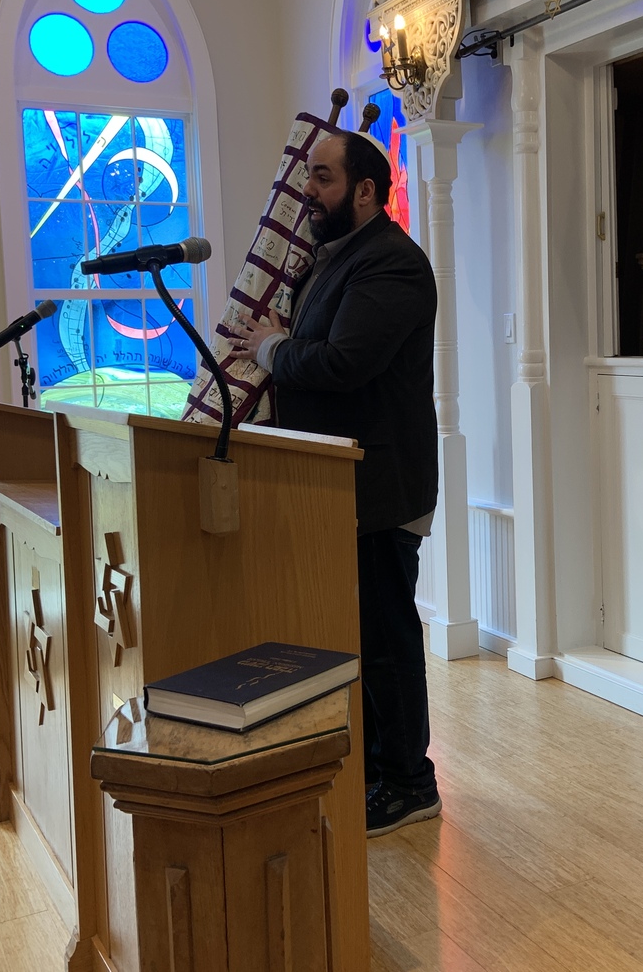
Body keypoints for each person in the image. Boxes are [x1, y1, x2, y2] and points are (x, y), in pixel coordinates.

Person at [228, 131, 441, 838]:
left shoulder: (391, 265)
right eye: (308, 178)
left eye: (321, 178)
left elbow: (344, 363)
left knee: (385, 637)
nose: (308, 192)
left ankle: (411, 780)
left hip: (379, 483)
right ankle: (378, 769)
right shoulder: (337, 258)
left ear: (366, 190)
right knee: (358, 633)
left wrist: (270, 348)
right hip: (338, 484)